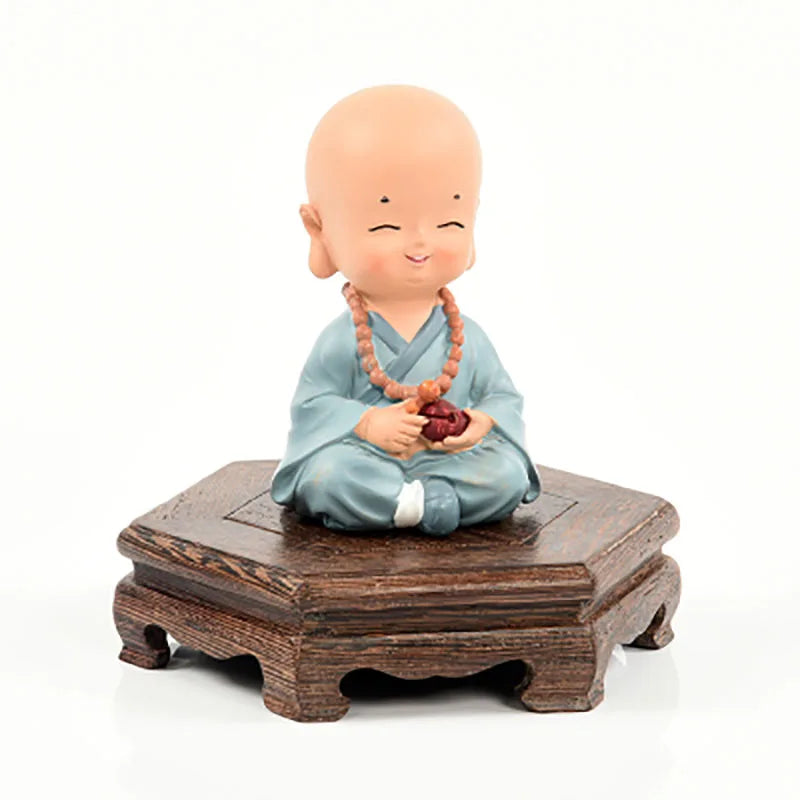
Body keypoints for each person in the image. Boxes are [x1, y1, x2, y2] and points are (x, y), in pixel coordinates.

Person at [271, 85, 540, 536]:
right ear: (320, 230)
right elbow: (312, 405)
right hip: (367, 460)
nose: (420, 244)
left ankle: (411, 501)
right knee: (328, 476)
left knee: (507, 473)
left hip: (452, 460)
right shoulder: (342, 339)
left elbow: (502, 397)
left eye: (450, 222)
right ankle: (412, 502)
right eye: (386, 225)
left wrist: (479, 423)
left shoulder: (467, 336)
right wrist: (367, 423)